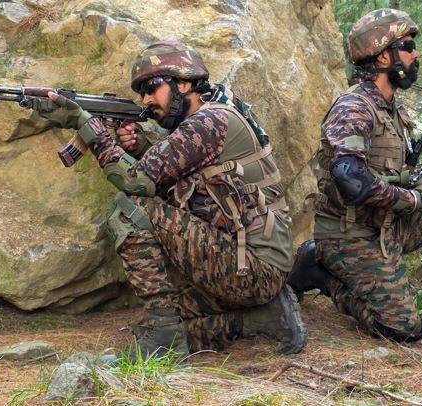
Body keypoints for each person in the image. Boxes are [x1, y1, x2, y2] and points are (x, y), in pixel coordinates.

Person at [36, 39, 307, 359]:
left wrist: (85, 124)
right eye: (143, 92)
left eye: (152, 88)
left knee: (128, 211)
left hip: (252, 268)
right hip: (251, 265)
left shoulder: (208, 123)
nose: (146, 99)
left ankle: (163, 337)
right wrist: (137, 147)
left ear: (184, 83)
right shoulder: (213, 115)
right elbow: (171, 182)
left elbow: (134, 182)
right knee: (174, 320)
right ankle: (262, 316)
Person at [288, 9, 422, 353]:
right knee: (401, 328)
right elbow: (351, 180)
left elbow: (400, 176)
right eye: (407, 46)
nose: (416, 54)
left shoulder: (393, 111)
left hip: (388, 225)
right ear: (383, 56)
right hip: (349, 235)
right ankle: (318, 273)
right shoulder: (353, 108)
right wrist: (415, 199)